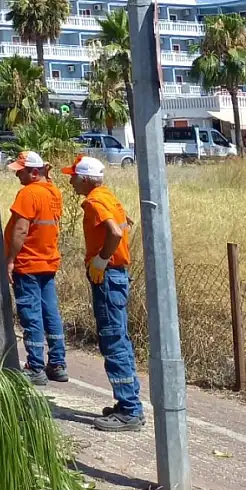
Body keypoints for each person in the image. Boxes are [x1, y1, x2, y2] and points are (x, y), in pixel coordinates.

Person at [63, 155, 145, 432]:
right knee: (119, 339)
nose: (71, 182)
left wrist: (101, 258)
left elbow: (115, 232)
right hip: (116, 275)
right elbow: (123, 222)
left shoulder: (95, 201)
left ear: (85, 179)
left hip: (108, 275)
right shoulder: (108, 196)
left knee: (113, 342)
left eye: (74, 177)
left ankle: (130, 410)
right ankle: (128, 404)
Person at [4, 151, 68, 386]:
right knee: (50, 312)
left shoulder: (28, 193)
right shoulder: (53, 192)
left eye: (20, 171)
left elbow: (20, 230)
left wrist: (10, 260)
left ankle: (35, 366)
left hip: (28, 262)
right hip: (48, 261)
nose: (17, 175)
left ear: (33, 172)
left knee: (31, 314)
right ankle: (58, 363)